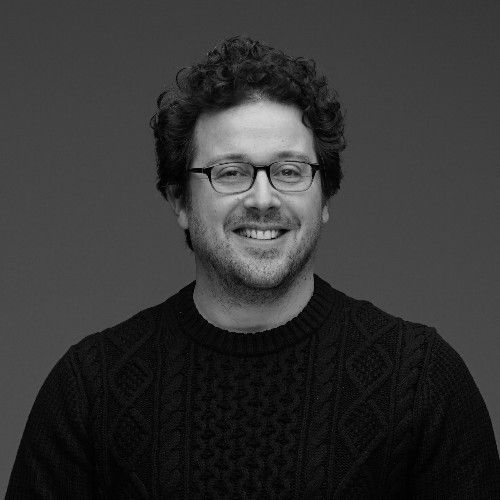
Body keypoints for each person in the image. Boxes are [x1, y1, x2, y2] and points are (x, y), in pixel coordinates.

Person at [7, 36, 500, 499]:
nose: (263, 199)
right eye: (231, 172)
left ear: (325, 196)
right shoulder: (90, 389)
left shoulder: (419, 380)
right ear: (179, 200)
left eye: (289, 171)